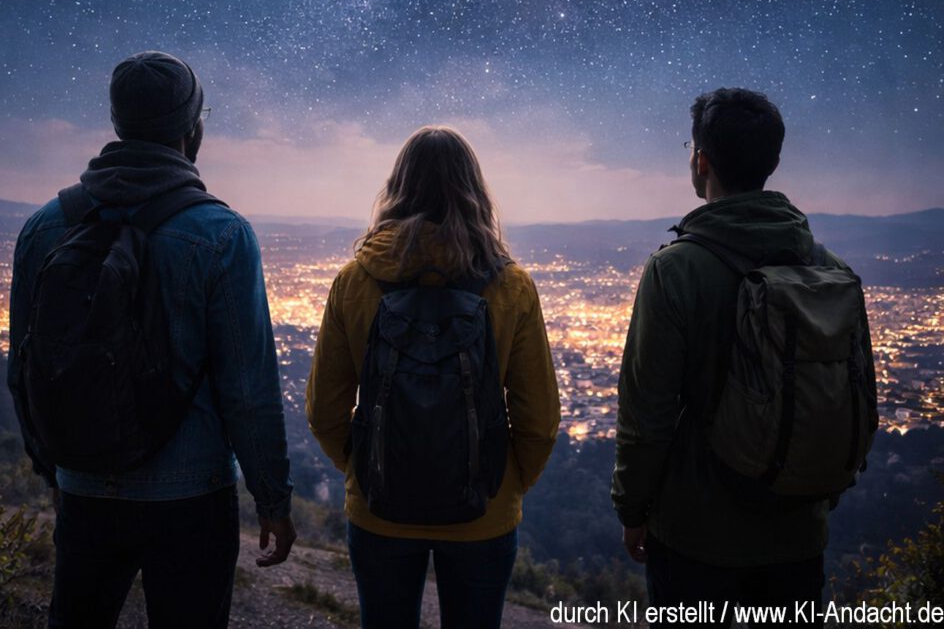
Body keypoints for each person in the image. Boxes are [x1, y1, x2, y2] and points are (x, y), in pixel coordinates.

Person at [8, 50, 295, 628]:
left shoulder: (44, 227)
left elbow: (24, 369)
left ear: (117, 123)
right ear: (194, 129)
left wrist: (53, 470)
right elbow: (248, 387)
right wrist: (272, 499)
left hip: (84, 484)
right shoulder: (222, 233)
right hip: (191, 495)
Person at [612, 87, 877, 615]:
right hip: (796, 531)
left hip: (694, 534)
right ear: (772, 162)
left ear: (701, 160)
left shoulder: (675, 270)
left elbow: (647, 414)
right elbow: (856, 397)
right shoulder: (828, 268)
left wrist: (632, 508)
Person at [306, 126, 560, 629]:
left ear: (397, 187)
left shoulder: (355, 281)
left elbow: (323, 412)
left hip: (380, 511)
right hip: (482, 513)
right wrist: (502, 484)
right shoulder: (511, 286)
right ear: (475, 190)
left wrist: (367, 470)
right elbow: (539, 421)